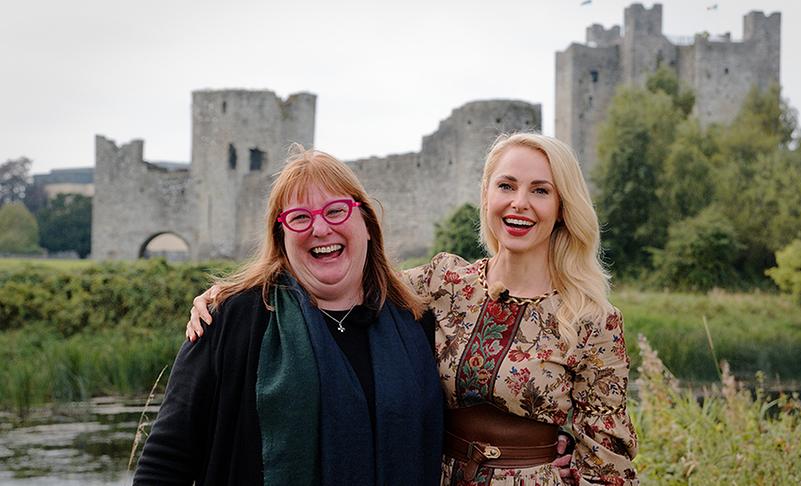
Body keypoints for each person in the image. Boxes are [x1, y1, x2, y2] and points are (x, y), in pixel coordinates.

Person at [188, 133, 638, 485]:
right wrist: (228, 298)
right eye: (507, 186)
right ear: (487, 196)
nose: (520, 202)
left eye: (540, 190)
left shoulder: (590, 319)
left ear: (561, 208)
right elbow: (341, 278)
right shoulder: (444, 283)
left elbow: (609, 460)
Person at [135, 147, 444, 486]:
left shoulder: (413, 323)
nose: (321, 229)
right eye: (300, 217)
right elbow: (165, 463)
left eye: (336, 211)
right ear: (280, 236)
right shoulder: (231, 320)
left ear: (367, 223)